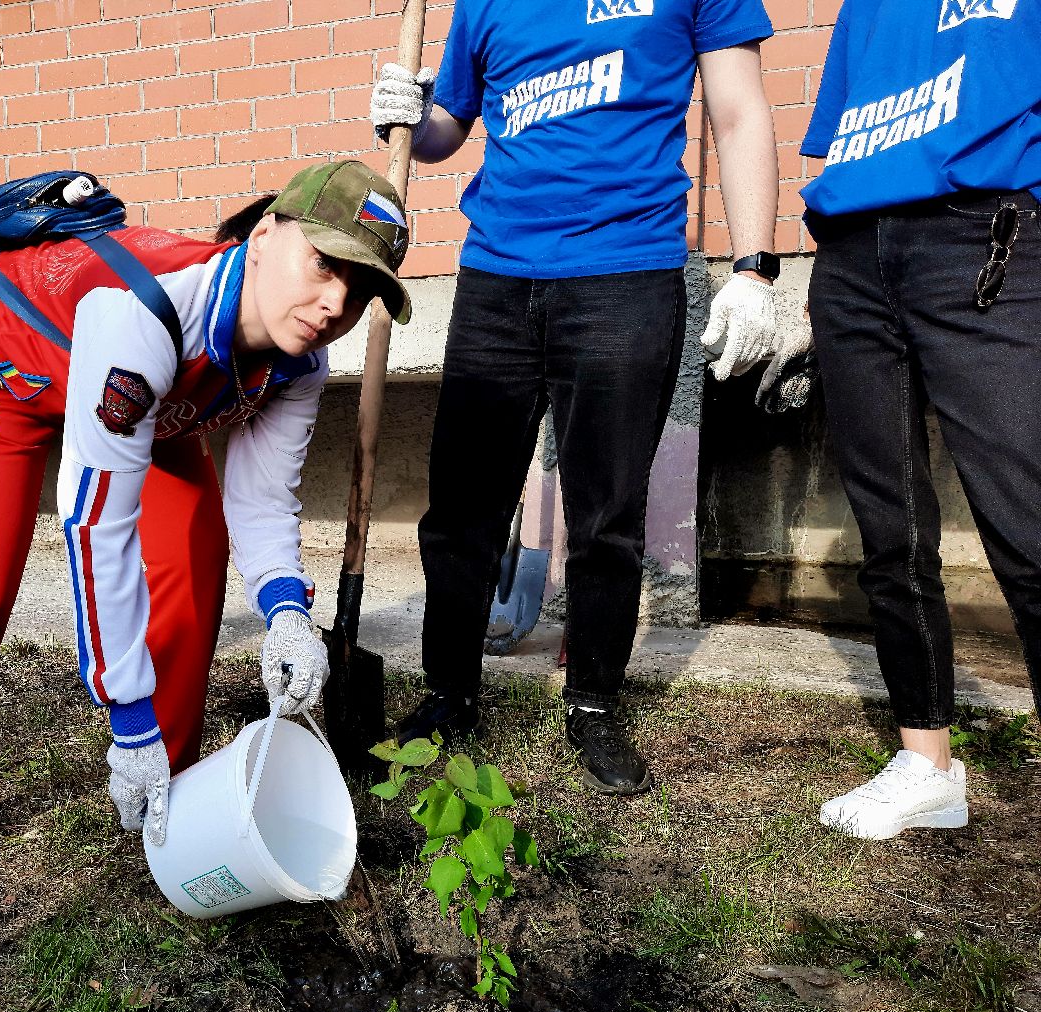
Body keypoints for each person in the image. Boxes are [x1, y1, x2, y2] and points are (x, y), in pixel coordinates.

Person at [0, 160, 413, 942]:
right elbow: (99, 526)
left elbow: (261, 500)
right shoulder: (147, 316)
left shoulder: (298, 359)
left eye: (361, 289)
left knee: (197, 555)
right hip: (5, 372)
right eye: (325, 264)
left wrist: (287, 614)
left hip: (148, 406)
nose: (337, 303)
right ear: (265, 235)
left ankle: (170, 800)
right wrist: (124, 716)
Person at [369, 0, 781, 794]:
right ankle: (449, 696)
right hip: (495, 275)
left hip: (626, 274)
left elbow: (737, 112)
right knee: (461, 512)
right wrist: (409, 118)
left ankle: (593, 704)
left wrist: (755, 267)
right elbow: (449, 128)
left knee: (606, 519)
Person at [797, 0, 1041, 839]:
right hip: (854, 256)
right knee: (890, 532)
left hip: (989, 236)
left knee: (1029, 528)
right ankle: (927, 763)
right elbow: (846, 138)